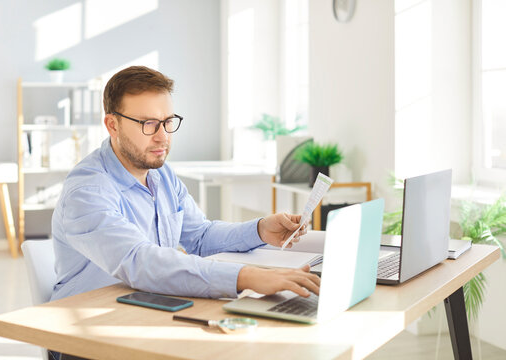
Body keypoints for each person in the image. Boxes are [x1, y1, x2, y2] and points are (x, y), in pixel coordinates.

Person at [50, 66, 320, 304]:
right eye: (148, 124)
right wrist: (246, 276)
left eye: (168, 122)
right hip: (84, 329)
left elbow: (200, 237)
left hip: (147, 308)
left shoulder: (161, 175)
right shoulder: (87, 191)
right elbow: (139, 262)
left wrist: (260, 230)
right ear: (112, 125)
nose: (163, 137)